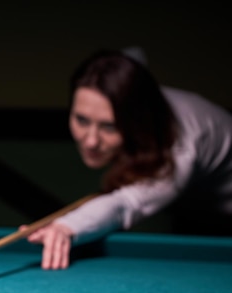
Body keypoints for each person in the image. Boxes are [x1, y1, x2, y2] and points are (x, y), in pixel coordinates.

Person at [21, 48, 232, 270]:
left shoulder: (181, 150)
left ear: (137, 122)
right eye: (82, 120)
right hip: (199, 199)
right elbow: (135, 54)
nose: (91, 141)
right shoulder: (132, 86)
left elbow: (126, 203)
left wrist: (68, 226)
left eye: (109, 126)